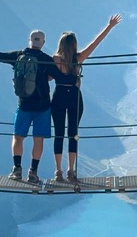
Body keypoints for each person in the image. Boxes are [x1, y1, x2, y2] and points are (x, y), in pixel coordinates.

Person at [0, 28, 61, 183]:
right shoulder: (46, 60)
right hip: (42, 107)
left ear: (29, 41)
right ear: (43, 43)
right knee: (38, 140)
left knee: (18, 137)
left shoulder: (18, 56)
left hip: (24, 105)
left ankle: (17, 169)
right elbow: (59, 76)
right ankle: (33, 172)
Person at [51, 14, 122, 182]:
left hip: (59, 96)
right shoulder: (78, 58)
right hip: (75, 97)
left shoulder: (54, 60)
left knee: (59, 134)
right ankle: (71, 171)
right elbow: (95, 43)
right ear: (74, 45)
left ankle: (58, 171)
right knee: (73, 133)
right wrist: (109, 27)